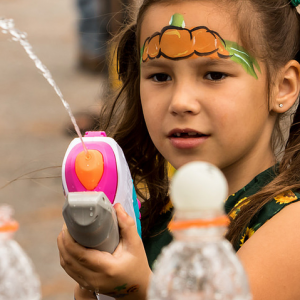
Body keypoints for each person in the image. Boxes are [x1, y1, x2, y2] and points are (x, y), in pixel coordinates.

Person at [57, 0, 300, 299]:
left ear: (283, 86)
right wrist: (92, 283)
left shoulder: (291, 226)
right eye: (160, 77)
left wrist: (138, 288)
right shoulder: (153, 215)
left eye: (214, 75)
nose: (180, 102)